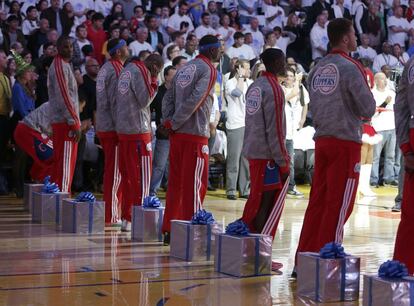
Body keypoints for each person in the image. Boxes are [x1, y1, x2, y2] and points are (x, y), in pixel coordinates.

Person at [294, 18, 376, 275]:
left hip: (322, 140)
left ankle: (303, 260)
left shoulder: (318, 68)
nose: (356, 38)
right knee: (339, 204)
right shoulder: (352, 67)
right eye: (354, 33)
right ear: (345, 38)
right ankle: (326, 261)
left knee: (318, 202)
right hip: (345, 142)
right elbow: (368, 108)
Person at [161, 35, 220, 244]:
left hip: (177, 137)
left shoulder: (184, 68)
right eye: (220, 49)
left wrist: (168, 121)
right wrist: (175, 122)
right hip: (194, 135)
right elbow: (197, 99)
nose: (221, 52)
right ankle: (190, 233)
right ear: (212, 51)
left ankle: (170, 228)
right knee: (195, 185)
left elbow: (168, 97)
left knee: (175, 184)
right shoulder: (209, 70)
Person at [240, 48, 289, 271]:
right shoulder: (273, 89)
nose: (285, 64)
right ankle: (259, 255)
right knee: (265, 206)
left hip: (253, 150)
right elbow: (275, 129)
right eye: (282, 60)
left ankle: (250, 252)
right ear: (276, 63)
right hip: (268, 155)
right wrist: (282, 159)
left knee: (256, 200)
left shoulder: (255, 86)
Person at [115, 54, 163, 232]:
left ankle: (126, 217)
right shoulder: (142, 70)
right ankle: (139, 219)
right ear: (154, 65)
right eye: (158, 68)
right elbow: (145, 100)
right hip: (138, 131)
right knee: (142, 179)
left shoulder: (125, 71)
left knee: (128, 177)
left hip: (124, 130)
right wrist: (154, 79)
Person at [96, 38, 129, 225]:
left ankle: (111, 211)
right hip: (113, 127)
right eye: (124, 46)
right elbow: (117, 103)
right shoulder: (116, 70)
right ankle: (112, 214)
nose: (127, 48)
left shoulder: (105, 69)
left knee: (111, 170)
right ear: (118, 52)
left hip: (104, 125)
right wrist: (121, 127)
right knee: (115, 172)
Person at [48, 36, 81, 193]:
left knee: (62, 164)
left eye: (71, 46)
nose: (70, 49)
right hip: (65, 123)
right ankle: (61, 202)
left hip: (63, 121)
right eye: (66, 46)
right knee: (65, 166)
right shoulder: (60, 66)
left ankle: (57, 202)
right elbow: (64, 97)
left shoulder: (64, 65)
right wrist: (74, 122)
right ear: (58, 48)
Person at [393, 52, 414, 274]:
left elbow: (400, 108)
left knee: (410, 212)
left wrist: (405, 146)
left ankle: (404, 265)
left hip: (411, 134)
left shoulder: (410, 65)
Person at [224, 59, 252, 200]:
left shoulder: (251, 83)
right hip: (235, 124)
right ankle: (231, 189)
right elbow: (237, 93)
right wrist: (240, 77)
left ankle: (244, 189)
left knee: (246, 160)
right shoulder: (230, 82)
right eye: (247, 68)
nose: (249, 71)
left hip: (248, 124)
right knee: (233, 159)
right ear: (239, 69)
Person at [149, 66, 177, 196]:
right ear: (166, 76)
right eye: (173, 75)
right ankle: (152, 191)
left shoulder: (179, 91)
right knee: (159, 165)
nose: (175, 77)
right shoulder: (158, 92)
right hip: (163, 133)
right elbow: (149, 111)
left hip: (176, 133)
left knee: (173, 165)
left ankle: (171, 190)